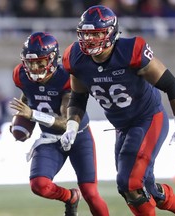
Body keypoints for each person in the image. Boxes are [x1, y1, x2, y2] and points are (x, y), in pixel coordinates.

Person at [60, 5, 175, 216]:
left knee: (130, 182)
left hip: (148, 118)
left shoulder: (131, 51)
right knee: (138, 187)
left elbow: (171, 85)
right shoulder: (75, 58)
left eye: (97, 34)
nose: (90, 40)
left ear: (111, 33)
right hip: (122, 126)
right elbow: (78, 96)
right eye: (86, 34)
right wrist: (72, 126)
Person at [9, 32, 109, 216]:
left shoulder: (66, 77)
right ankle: (70, 197)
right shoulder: (21, 75)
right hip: (50, 139)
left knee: (90, 192)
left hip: (78, 136)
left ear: (53, 59)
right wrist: (21, 120)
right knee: (39, 185)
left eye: (40, 62)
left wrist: (32, 114)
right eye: (31, 62)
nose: (35, 67)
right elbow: (28, 95)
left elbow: (67, 123)